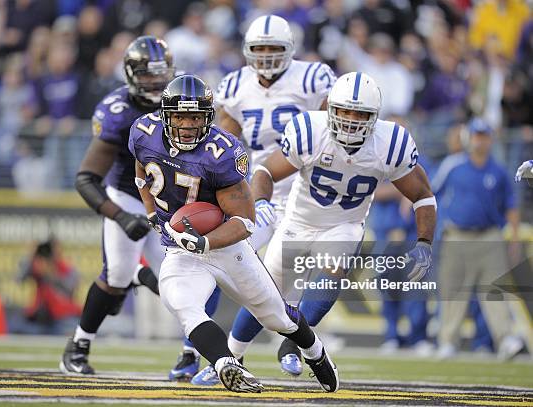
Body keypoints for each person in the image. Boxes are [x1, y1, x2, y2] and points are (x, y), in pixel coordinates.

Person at [129, 74, 339, 393]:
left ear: (208, 117)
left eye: (195, 116)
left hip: (227, 247)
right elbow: (142, 171)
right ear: (165, 115)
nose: (187, 124)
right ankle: (225, 363)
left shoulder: (221, 151)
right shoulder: (144, 133)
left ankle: (316, 354)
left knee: (276, 318)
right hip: (181, 249)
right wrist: (150, 211)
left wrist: (205, 241)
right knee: (181, 304)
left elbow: (245, 221)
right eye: (180, 115)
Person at [232, 72, 437, 372]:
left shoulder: (390, 142)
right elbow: (265, 171)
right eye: (344, 110)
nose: (352, 119)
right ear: (330, 108)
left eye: (360, 113)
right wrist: (261, 202)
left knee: (333, 268)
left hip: (345, 222)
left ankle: (293, 343)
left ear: (374, 117)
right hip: (298, 220)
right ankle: (230, 356)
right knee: (267, 292)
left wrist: (424, 243)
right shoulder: (310, 130)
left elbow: (423, 196)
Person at [204, 14, 336, 382]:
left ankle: (292, 343)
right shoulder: (234, 84)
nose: (264, 56)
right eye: (258, 49)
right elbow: (221, 144)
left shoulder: (313, 77)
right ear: (247, 51)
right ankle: (205, 353)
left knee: (323, 270)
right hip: (259, 194)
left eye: (272, 48)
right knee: (229, 260)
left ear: (289, 50)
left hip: (308, 191)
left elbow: (335, 127)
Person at [59, 36, 174, 375]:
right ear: (129, 74)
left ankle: (193, 356)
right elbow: (86, 179)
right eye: (147, 75)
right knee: (116, 278)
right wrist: (122, 217)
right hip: (129, 196)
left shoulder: (181, 100)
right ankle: (78, 345)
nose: (155, 82)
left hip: (172, 202)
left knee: (181, 282)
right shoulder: (118, 112)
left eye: (160, 74)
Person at [433, 117, 525, 360]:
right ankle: (448, 340)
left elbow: (511, 206)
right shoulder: (453, 165)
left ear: (490, 139)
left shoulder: (499, 171)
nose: (480, 141)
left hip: (489, 236)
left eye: (484, 136)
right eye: (476, 136)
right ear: (469, 138)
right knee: (453, 291)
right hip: (457, 235)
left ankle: (505, 339)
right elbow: (431, 192)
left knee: (495, 290)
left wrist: (514, 238)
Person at [15, 238, 81, 335]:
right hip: (41, 316)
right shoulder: (36, 266)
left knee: (73, 328)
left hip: (63, 317)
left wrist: (51, 274)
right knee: (18, 326)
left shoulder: (66, 268)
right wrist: (32, 256)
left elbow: (69, 289)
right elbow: (19, 279)